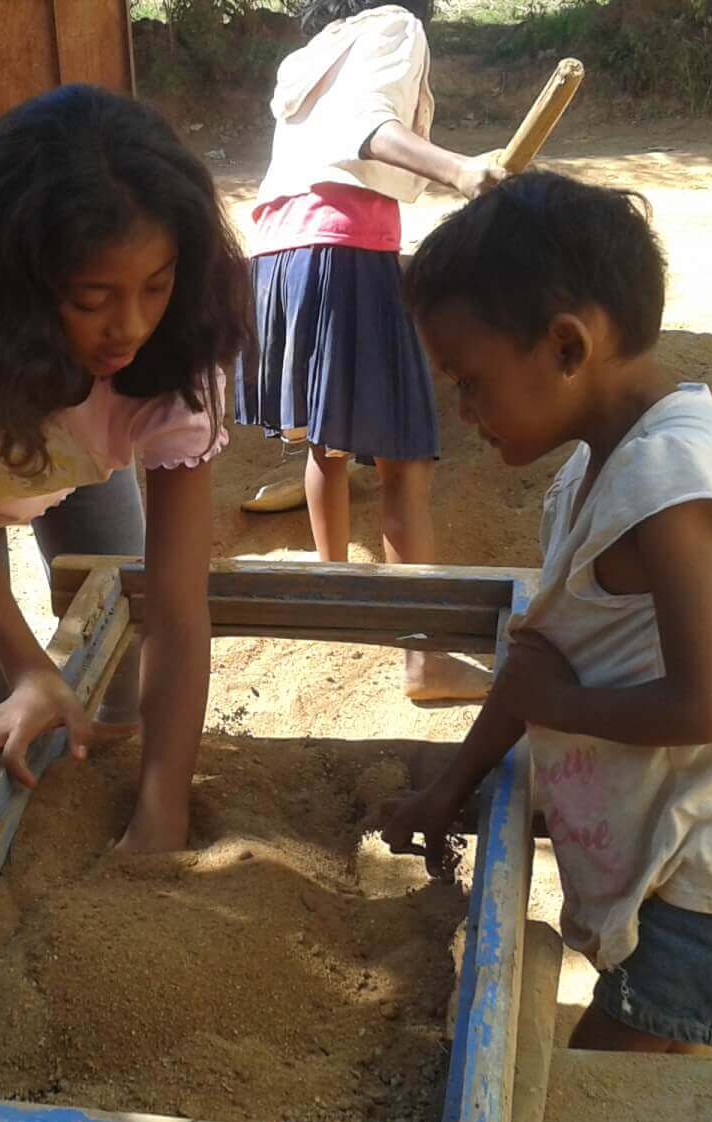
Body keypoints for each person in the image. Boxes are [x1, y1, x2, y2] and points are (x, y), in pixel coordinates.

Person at [381, 172, 712, 1057]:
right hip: (697, 869)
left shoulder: (666, 479)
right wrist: (452, 786)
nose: (464, 412)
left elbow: (703, 707)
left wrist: (559, 704)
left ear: (568, 346)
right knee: (676, 1093)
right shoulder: (599, 469)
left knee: (614, 1093)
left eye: (472, 382)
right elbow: (538, 663)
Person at [0, 86, 251, 853]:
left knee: (124, 659)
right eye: (92, 298)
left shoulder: (178, 360)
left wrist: (163, 813)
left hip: (81, 469)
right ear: (21, 285)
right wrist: (27, 668)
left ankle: (97, 774)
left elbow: (176, 610)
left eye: (156, 285)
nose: (130, 326)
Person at [236, 0, 505, 701]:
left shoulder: (317, 49)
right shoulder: (395, 26)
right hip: (345, 248)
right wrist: (460, 170)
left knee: (327, 441)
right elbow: (367, 127)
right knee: (404, 457)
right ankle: (425, 659)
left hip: (278, 254)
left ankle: (336, 598)